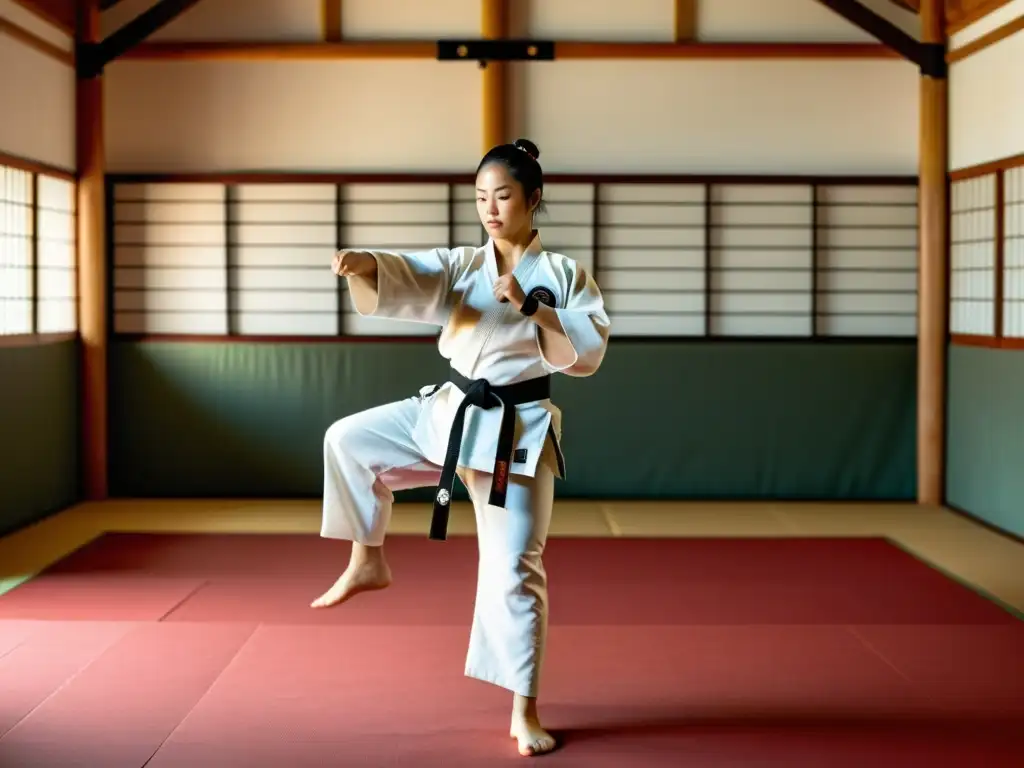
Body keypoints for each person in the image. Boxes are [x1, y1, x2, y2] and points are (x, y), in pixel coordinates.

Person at [311, 138, 610, 757]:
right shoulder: (463, 265)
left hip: (516, 433)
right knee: (347, 439)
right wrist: (365, 262)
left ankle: (523, 711)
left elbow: (586, 348)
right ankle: (369, 557)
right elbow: (412, 273)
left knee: (514, 573)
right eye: (480, 197)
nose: (490, 208)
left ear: (533, 199)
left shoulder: (561, 274)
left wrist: (532, 309)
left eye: (502, 195)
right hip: (450, 415)